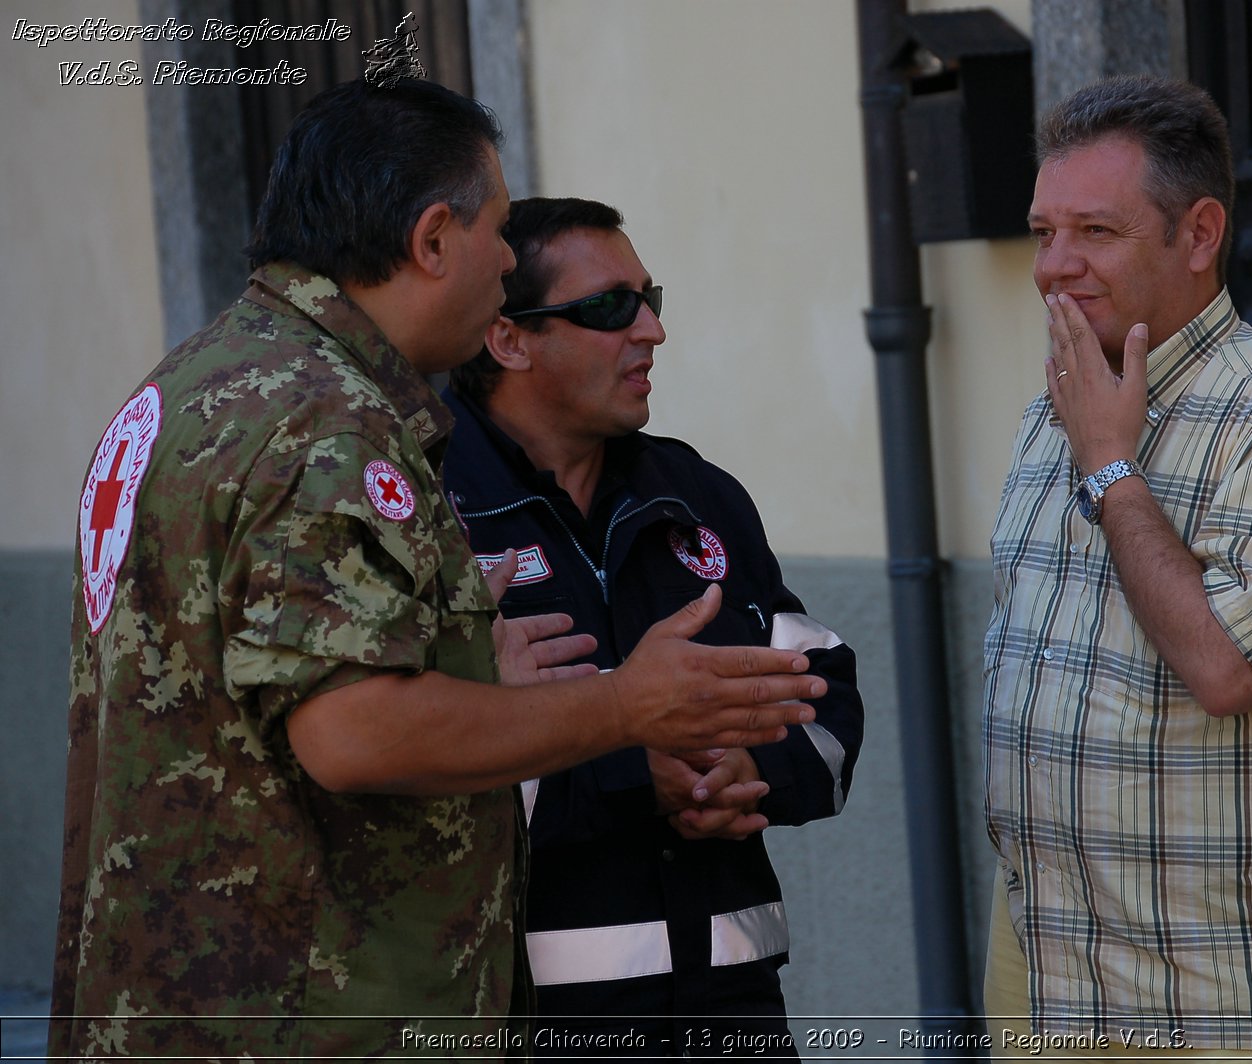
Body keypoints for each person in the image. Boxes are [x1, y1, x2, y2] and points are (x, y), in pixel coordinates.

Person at [51, 80, 825, 1061]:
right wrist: (631, 706)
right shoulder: (323, 414)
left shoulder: (195, 384)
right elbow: (354, 731)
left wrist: (466, 671)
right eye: (498, 230)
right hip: (303, 1018)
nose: (507, 261)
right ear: (430, 240)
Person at [983, 75, 1252, 1057]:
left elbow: (1224, 667)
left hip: (1236, 986)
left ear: (1199, 233)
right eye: (1042, 231)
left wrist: (1112, 466)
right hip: (1053, 966)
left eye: (1094, 230)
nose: (1054, 266)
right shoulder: (1054, 407)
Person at [441, 197, 864, 1057]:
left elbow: (824, 693)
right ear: (508, 339)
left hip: (734, 1012)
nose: (650, 331)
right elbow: (406, 759)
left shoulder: (695, 495)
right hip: (530, 1021)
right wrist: (636, 772)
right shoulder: (427, 510)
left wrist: (752, 771)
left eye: (650, 298)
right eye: (608, 308)